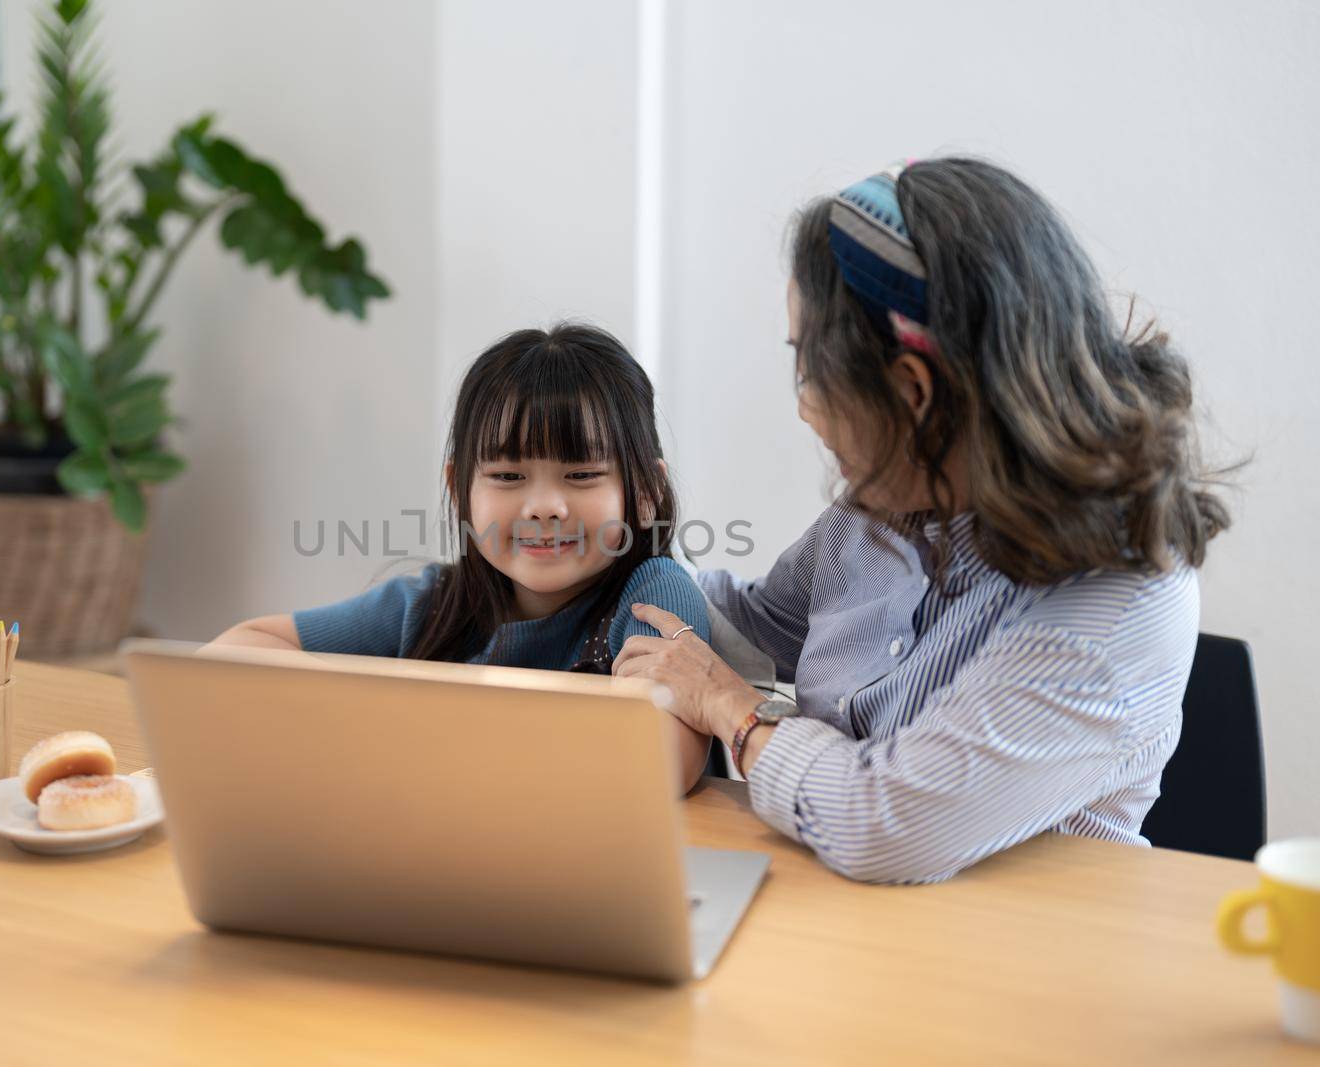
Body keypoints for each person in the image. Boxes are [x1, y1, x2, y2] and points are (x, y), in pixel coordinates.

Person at [614, 158, 1230, 882]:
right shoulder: (887, 509)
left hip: (1020, 960)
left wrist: (734, 709)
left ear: (914, 394)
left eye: (813, 372)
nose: (804, 407)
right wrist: (573, 561)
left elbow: (883, 822)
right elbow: (751, 624)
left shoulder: (1119, 598)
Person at [211, 323, 713, 789]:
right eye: (508, 477)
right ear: (460, 491)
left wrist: (430, 730)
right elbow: (234, 650)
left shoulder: (653, 594)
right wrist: (373, 708)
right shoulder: (433, 603)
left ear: (645, 490)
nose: (543, 507)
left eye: (581, 475)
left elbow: (663, 759)